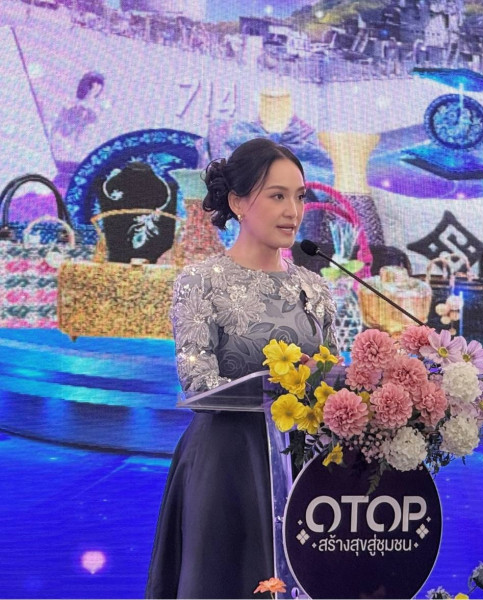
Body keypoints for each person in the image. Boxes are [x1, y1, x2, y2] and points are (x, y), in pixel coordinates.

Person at [146, 138, 337, 599]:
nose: (293, 211)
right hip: (227, 462)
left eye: (299, 196)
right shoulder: (201, 281)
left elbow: (333, 374)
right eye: (277, 196)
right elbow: (197, 380)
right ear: (237, 202)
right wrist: (277, 384)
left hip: (304, 464)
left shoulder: (315, 287)